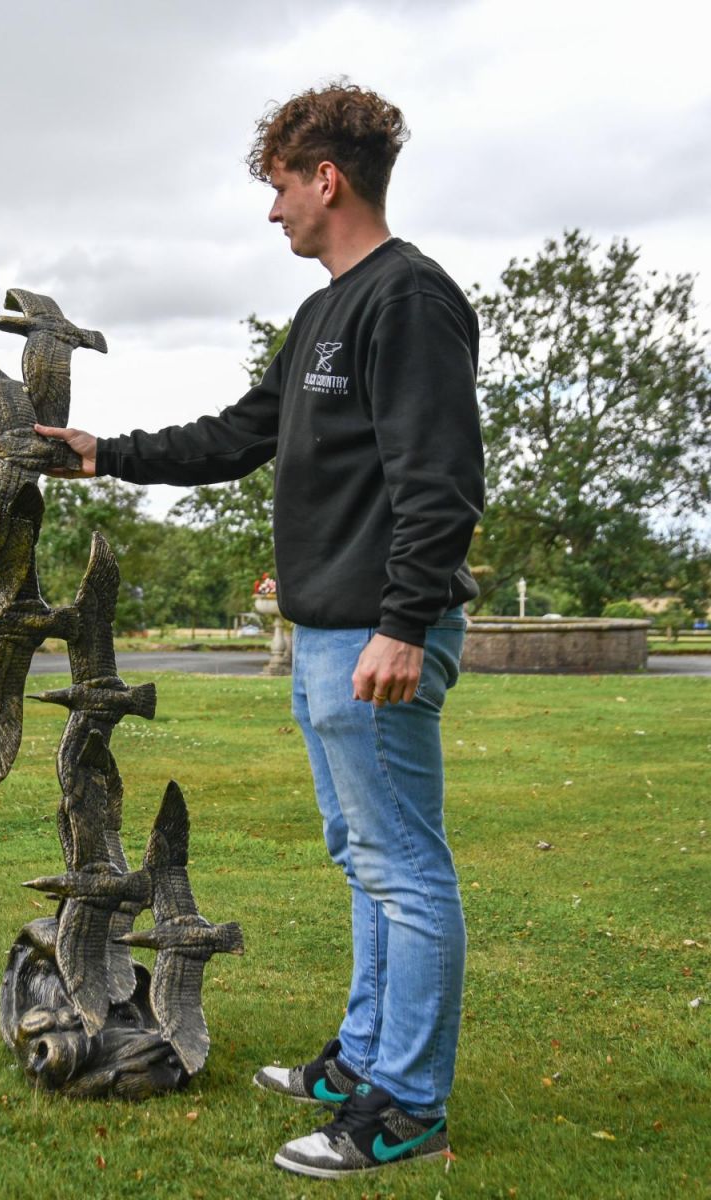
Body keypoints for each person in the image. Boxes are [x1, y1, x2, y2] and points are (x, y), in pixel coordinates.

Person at [36, 81, 485, 1180]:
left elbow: (440, 480)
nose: (272, 209)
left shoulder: (408, 299)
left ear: (327, 178)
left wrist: (403, 623)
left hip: (376, 634)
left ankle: (408, 1105)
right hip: (331, 632)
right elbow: (243, 432)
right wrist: (107, 453)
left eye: (281, 186)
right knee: (365, 858)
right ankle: (364, 1061)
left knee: (403, 868)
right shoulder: (325, 311)